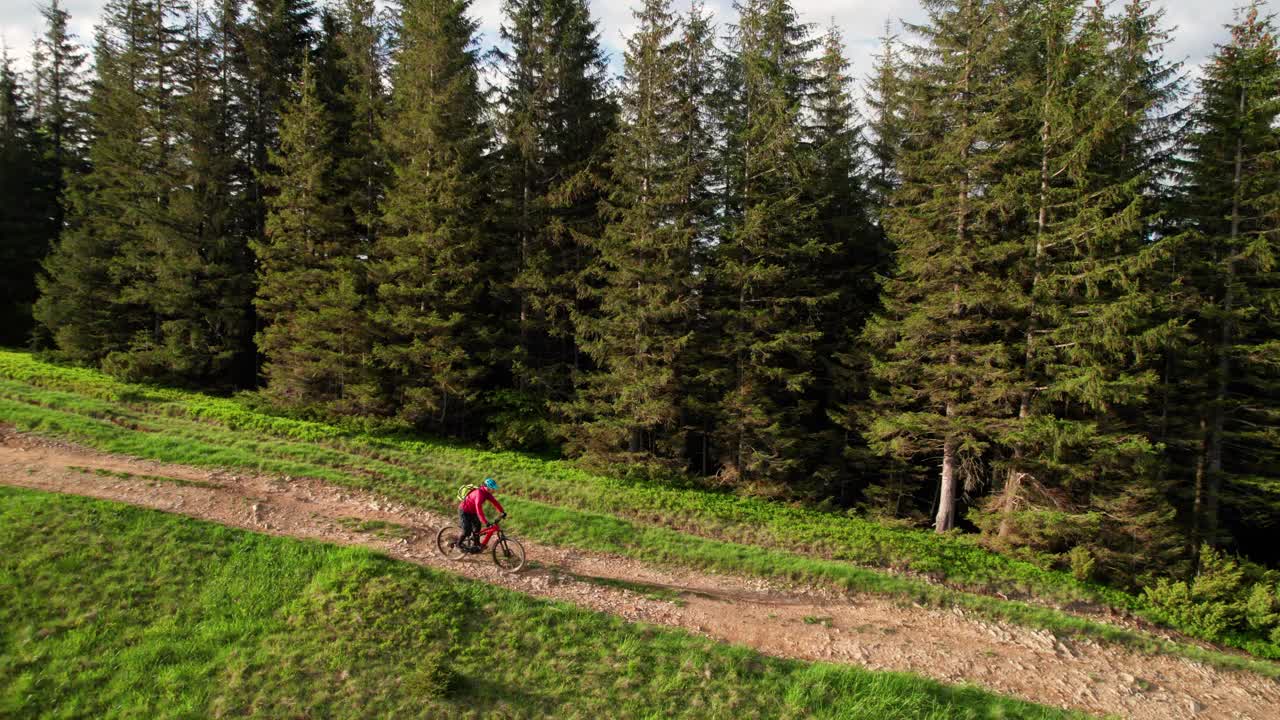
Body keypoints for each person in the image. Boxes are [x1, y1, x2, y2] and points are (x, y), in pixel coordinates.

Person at [458, 477, 505, 552]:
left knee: (477, 527)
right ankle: (458, 545)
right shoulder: (479, 494)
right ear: (487, 487)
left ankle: (476, 545)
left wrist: (502, 511)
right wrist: (485, 521)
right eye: (493, 488)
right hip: (464, 511)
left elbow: (495, 502)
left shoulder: (487, 494)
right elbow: (478, 509)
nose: (494, 490)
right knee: (467, 531)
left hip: (472, 512)